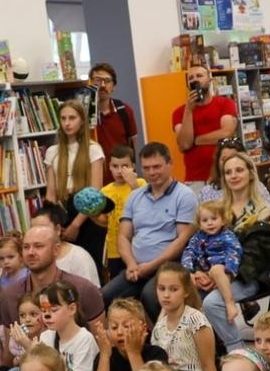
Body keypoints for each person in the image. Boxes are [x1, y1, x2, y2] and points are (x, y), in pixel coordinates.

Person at [103, 142, 198, 318]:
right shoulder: (135, 196)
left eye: (157, 167)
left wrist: (150, 266)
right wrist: (131, 263)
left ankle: (172, 340)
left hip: (170, 266)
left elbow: (182, 240)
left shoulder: (184, 195)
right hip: (136, 268)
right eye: (147, 168)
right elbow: (123, 236)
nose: (152, 173)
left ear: (170, 164)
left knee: (150, 296)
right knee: (104, 296)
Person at [196, 150, 270, 352]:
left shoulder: (263, 211)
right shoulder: (216, 211)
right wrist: (199, 271)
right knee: (182, 293)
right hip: (214, 274)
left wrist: (222, 275)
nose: (233, 176)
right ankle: (204, 353)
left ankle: (236, 351)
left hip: (249, 276)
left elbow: (257, 257)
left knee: (213, 303)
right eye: (228, 172)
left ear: (250, 173)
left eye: (239, 170)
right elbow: (201, 244)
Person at [151, 262, 220, 371]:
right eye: (161, 289)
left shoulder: (195, 319)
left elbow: (209, 365)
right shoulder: (159, 326)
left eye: (173, 289)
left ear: (186, 291)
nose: (166, 295)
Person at [44, 98, 106, 273]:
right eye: (63, 118)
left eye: (72, 118)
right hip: (62, 211)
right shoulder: (52, 152)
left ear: (82, 121)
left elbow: (95, 193)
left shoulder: (93, 149)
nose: (67, 123)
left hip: (87, 213)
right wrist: (57, 223)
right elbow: (50, 194)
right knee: (65, 268)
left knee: (90, 266)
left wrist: (75, 225)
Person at [181, 200, 243, 333]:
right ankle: (198, 319)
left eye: (214, 218)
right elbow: (189, 252)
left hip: (225, 271)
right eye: (205, 220)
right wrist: (189, 271)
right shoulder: (197, 238)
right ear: (199, 223)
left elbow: (234, 253)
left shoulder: (227, 236)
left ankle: (229, 302)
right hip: (205, 272)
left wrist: (229, 270)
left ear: (223, 220)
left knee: (216, 270)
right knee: (187, 280)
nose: (209, 223)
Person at [173, 60, 238, 184]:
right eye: (191, 78)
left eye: (199, 76)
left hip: (226, 176)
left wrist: (197, 140)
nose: (195, 80)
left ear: (210, 80)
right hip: (195, 179)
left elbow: (227, 133)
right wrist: (188, 111)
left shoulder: (225, 103)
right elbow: (185, 144)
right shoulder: (179, 112)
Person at [95, 145, 145, 279]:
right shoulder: (105, 191)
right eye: (115, 166)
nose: (119, 171)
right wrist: (92, 214)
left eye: (124, 166)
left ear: (133, 166)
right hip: (114, 250)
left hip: (137, 246)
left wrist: (133, 185)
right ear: (109, 167)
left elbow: (146, 208)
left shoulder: (140, 184)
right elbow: (104, 221)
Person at [89, 62, 139, 160]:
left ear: (113, 86)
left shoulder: (124, 110)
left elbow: (132, 146)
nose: (102, 85)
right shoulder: (83, 113)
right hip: (94, 173)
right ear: (89, 83)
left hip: (120, 173)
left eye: (107, 81)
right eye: (98, 80)